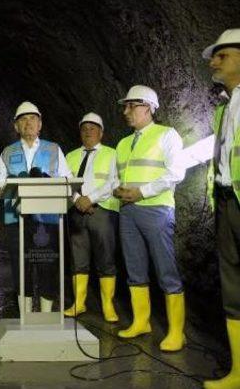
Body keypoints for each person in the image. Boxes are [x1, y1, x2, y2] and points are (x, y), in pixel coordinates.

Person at [113, 85, 186, 352]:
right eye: (126, 106)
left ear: (149, 107)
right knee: (134, 269)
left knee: (165, 270)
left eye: (132, 106)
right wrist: (116, 190)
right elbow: (115, 178)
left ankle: (177, 332)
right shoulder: (122, 143)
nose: (126, 111)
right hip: (128, 211)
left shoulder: (167, 135)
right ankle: (141, 321)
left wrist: (141, 192)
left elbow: (176, 173)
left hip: (156, 210)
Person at [0, 101, 72, 313]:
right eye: (23, 119)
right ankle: (25, 314)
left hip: (47, 218)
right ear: (16, 126)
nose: (28, 123)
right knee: (20, 266)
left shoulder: (54, 149)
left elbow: (67, 178)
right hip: (15, 217)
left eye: (33, 118)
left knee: (47, 264)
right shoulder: (8, 152)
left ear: (40, 124)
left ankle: (45, 314)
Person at [202, 28, 240, 389]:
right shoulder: (224, 110)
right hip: (228, 204)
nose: (213, 62)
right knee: (233, 285)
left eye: (222, 55)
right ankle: (239, 372)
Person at [64, 112, 120, 323]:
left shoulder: (112, 154)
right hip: (76, 211)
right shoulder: (70, 156)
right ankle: (79, 302)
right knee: (78, 258)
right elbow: (65, 181)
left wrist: (91, 199)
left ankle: (107, 305)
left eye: (93, 128)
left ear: (101, 132)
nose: (88, 132)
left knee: (105, 258)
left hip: (102, 210)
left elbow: (114, 182)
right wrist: (78, 199)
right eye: (84, 128)